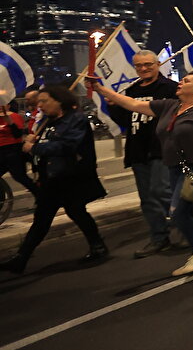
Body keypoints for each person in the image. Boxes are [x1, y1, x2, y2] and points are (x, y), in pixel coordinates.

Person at [92, 72, 193, 274]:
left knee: (178, 213)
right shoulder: (169, 106)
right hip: (172, 167)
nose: (180, 82)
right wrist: (100, 89)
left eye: (186, 81)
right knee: (189, 212)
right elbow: (133, 104)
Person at [0, 86, 109, 273]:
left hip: (71, 178)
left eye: (44, 101)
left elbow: (67, 146)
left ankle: (97, 246)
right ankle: (21, 258)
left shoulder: (76, 119)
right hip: (52, 179)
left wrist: (35, 148)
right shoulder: (48, 122)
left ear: (59, 101)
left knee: (76, 212)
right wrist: (31, 145)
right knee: (43, 219)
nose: (40, 105)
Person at [102, 50, 181, 256]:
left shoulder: (171, 88)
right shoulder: (131, 90)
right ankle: (159, 237)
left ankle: (188, 227)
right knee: (147, 198)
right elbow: (124, 122)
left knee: (161, 191)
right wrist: (113, 106)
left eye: (148, 64)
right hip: (138, 150)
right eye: (139, 66)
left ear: (157, 64)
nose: (144, 69)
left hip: (162, 148)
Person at [0, 99, 37, 197]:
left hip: (13, 150)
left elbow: (18, 135)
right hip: (1, 151)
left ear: (8, 106)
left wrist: (11, 123)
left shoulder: (14, 116)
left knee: (20, 177)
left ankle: (40, 195)